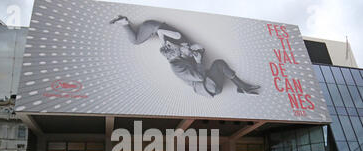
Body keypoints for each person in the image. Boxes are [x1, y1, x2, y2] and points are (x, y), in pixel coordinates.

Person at [110, 15, 260, 97]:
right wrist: (164, 38)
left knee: (139, 41)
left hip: (164, 37)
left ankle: (241, 87)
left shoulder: (177, 48)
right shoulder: (177, 42)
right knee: (136, 41)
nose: (190, 47)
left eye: (190, 47)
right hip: (152, 26)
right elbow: (162, 33)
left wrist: (171, 45)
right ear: (180, 50)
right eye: (188, 47)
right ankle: (124, 22)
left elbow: (167, 42)